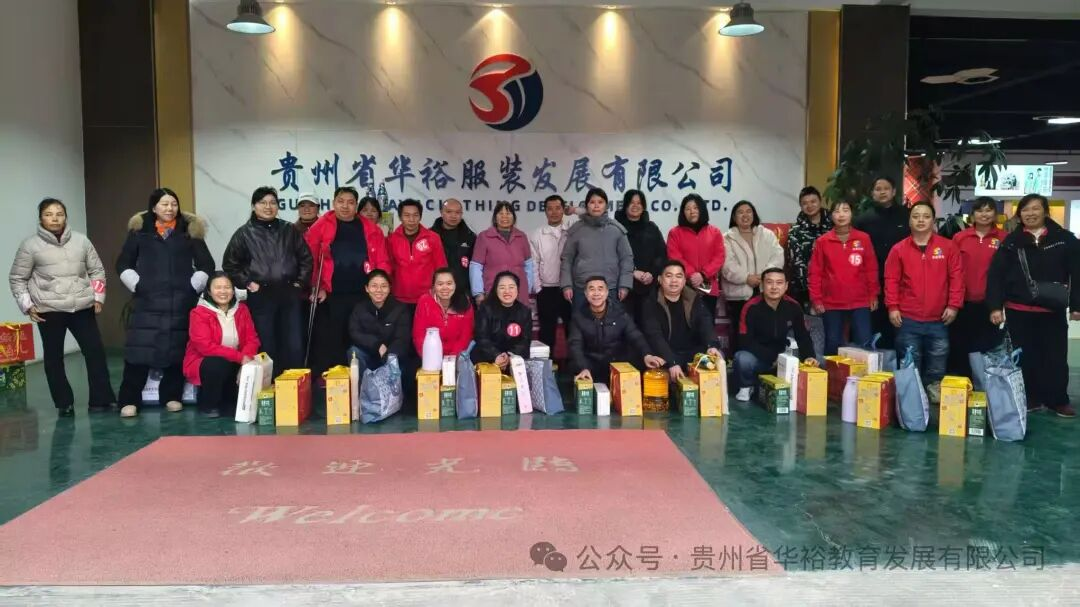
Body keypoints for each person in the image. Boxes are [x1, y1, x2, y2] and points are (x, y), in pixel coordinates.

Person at [8, 198, 115, 416]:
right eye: (49, 214)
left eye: (59, 214)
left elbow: (97, 270)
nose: (55, 218)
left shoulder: (81, 241)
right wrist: (27, 305)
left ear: (66, 217)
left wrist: (98, 297)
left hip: (82, 307)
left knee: (95, 352)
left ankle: (101, 400)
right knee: (54, 358)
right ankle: (64, 403)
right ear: (41, 218)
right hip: (49, 309)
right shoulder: (30, 246)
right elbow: (17, 278)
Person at [116, 188, 214, 418]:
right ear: (153, 207)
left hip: (180, 302)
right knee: (139, 351)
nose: (170, 208)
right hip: (147, 302)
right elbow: (123, 263)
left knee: (176, 351)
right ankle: (128, 400)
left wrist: (192, 287)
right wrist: (138, 285)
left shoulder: (189, 231)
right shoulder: (140, 231)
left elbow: (206, 264)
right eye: (164, 204)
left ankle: (172, 396)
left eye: (173, 204)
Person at [987, 194, 1080, 418]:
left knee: (1055, 357)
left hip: (1052, 310)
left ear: (1045, 212)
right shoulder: (1011, 242)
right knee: (1024, 357)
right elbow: (996, 276)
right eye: (1025, 210)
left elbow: (1077, 273)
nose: (1030, 214)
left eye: (1035, 209)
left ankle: (1058, 400)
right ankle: (1030, 398)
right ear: (1020, 215)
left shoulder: (1064, 239)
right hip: (1018, 310)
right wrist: (995, 307)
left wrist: (1076, 305)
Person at [222, 186, 312, 375]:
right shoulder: (244, 233)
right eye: (263, 203)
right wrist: (247, 283)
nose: (268, 207)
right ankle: (269, 385)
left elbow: (306, 258)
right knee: (266, 344)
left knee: (294, 343)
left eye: (272, 203)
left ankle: (295, 385)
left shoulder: (289, 229)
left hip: (289, 293)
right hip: (261, 295)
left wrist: (299, 283)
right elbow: (230, 264)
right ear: (253, 206)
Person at [304, 186, 391, 381]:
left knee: (362, 337)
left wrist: (381, 286)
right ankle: (336, 382)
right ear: (333, 203)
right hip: (332, 293)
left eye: (350, 202)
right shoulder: (321, 226)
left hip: (364, 294)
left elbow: (383, 260)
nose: (345, 206)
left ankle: (364, 380)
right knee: (333, 339)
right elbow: (310, 260)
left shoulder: (370, 228)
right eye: (341, 201)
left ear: (356, 206)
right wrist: (318, 287)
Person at [884, 202, 964, 391]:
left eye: (926, 216)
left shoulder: (948, 247)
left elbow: (957, 278)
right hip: (907, 319)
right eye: (916, 216)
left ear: (933, 220)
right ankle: (911, 400)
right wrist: (892, 307)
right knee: (909, 365)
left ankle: (934, 401)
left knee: (937, 365)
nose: (921, 220)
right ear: (909, 221)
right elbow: (891, 280)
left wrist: (953, 305)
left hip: (939, 319)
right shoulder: (898, 249)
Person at [182, 272, 260, 418]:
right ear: (209, 291)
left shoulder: (242, 309)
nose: (223, 291)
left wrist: (246, 360)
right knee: (217, 365)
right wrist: (240, 357)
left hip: (236, 360)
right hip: (206, 361)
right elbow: (205, 346)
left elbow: (252, 339)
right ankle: (208, 405)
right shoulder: (198, 313)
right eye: (218, 287)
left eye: (227, 287)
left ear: (233, 290)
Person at [733, 268, 818, 402]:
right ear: (762, 285)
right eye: (769, 282)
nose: (774, 287)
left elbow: (803, 336)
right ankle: (746, 386)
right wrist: (771, 357)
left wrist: (809, 356)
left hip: (784, 358)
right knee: (742, 358)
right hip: (759, 357)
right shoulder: (751, 307)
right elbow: (745, 341)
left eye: (779, 283)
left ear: (786, 286)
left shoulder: (793, 306)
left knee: (819, 362)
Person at [807, 199, 879, 355]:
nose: (841, 215)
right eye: (837, 211)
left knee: (864, 342)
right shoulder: (823, 241)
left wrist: (873, 294)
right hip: (832, 302)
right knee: (833, 343)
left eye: (845, 210)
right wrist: (816, 299)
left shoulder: (863, 238)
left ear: (852, 214)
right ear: (831, 216)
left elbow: (871, 269)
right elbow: (815, 273)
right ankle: (833, 372)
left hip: (860, 301)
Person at [948, 197, 1007, 375]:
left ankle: (986, 385)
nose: (984, 214)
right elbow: (951, 270)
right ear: (972, 215)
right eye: (980, 210)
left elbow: (1007, 273)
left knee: (987, 348)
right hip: (963, 303)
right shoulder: (960, 237)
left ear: (995, 214)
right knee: (960, 347)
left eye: (988, 210)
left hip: (991, 305)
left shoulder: (1004, 238)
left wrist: (1000, 305)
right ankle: (962, 384)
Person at [569, 276, 665, 382]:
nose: (596, 293)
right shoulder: (578, 317)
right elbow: (575, 345)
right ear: (586, 294)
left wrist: (647, 354)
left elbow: (635, 335)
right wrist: (583, 368)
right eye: (592, 289)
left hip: (617, 367)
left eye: (600, 289)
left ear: (607, 292)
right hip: (589, 368)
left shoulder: (620, 313)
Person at [641, 260, 723, 381]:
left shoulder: (693, 298)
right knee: (657, 369)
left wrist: (712, 345)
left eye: (679, 276)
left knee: (716, 357)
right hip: (665, 354)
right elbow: (654, 336)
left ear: (684, 281)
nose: (674, 280)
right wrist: (672, 362)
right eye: (669, 276)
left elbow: (705, 323)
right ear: (660, 279)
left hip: (692, 354)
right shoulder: (651, 302)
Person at [853, 176, 909, 348]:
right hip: (873, 282)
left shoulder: (907, 216)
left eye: (886, 188)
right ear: (872, 193)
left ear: (894, 191)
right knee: (875, 327)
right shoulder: (863, 220)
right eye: (878, 189)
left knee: (899, 326)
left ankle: (898, 361)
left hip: (902, 281)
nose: (882, 192)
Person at [347, 269, 416, 409]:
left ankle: (394, 402)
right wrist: (377, 345)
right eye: (374, 286)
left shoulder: (400, 309)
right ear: (367, 288)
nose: (379, 290)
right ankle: (363, 398)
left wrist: (388, 356)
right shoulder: (359, 308)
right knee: (354, 352)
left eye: (384, 286)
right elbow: (354, 333)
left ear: (390, 288)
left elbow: (402, 338)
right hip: (370, 356)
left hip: (392, 358)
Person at [721, 200, 784, 350]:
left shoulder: (767, 234)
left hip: (766, 292)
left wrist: (766, 277)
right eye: (740, 212)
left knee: (766, 331)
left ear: (754, 214)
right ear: (734, 217)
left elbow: (777, 256)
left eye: (748, 211)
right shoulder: (726, 238)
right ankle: (741, 360)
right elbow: (727, 265)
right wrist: (746, 277)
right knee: (741, 334)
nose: (745, 215)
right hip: (739, 295)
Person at [561, 188, 634, 310]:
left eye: (600, 202)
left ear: (606, 206)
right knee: (581, 321)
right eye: (592, 202)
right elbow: (567, 259)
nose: (596, 206)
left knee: (612, 322)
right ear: (586, 206)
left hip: (611, 289)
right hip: (582, 289)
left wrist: (624, 285)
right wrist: (566, 285)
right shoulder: (576, 230)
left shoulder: (616, 230)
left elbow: (626, 259)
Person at [666, 193, 726, 321]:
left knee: (707, 325)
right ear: (683, 212)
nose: (692, 211)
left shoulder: (715, 232)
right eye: (687, 209)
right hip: (684, 287)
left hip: (709, 288)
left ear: (702, 209)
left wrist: (703, 274)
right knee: (684, 324)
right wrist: (692, 275)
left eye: (695, 208)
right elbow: (675, 256)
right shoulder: (674, 233)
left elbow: (719, 257)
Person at [614, 189, 666, 324]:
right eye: (631, 202)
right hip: (623, 285)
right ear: (625, 205)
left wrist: (652, 273)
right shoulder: (616, 228)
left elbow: (661, 254)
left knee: (648, 326)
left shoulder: (651, 228)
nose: (635, 206)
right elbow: (611, 256)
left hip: (648, 286)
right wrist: (632, 272)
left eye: (639, 203)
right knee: (626, 327)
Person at [529, 194, 574, 349]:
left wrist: (574, 210)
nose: (554, 212)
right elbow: (533, 263)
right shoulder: (537, 234)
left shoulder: (573, 230)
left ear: (563, 210)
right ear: (545, 211)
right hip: (547, 289)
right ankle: (547, 362)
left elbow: (591, 215)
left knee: (572, 329)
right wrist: (538, 288)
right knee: (547, 331)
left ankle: (573, 362)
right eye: (550, 209)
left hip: (569, 288)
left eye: (558, 208)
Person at [470, 202, 534, 306]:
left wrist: (527, 289)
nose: (504, 216)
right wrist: (478, 293)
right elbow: (476, 266)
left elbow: (529, 266)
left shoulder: (522, 236)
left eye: (508, 213)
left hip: (519, 293)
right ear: (495, 218)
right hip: (493, 291)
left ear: (514, 217)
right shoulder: (484, 237)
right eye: (501, 213)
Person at [386, 199, 447, 306]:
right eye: (407, 215)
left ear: (420, 217)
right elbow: (388, 268)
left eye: (415, 215)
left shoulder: (433, 238)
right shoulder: (391, 240)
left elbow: (441, 267)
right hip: (399, 298)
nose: (411, 219)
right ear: (400, 217)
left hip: (427, 297)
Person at [471, 272, 533, 371]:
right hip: (488, 359)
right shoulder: (485, 308)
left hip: (513, 360)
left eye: (511, 287)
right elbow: (481, 337)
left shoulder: (524, 312)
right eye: (502, 287)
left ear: (517, 289)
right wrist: (496, 355)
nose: (507, 291)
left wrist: (509, 357)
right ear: (496, 290)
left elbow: (525, 341)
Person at [413, 268, 475, 357]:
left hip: (456, 356)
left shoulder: (465, 302)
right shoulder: (424, 301)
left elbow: (465, 336)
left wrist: (451, 359)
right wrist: (430, 357)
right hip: (430, 355)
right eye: (440, 284)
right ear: (433, 286)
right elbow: (419, 335)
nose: (445, 288)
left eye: (449, 283)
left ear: (455, 284)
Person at [787, 186, 833, 307]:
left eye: (813, 201)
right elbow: (796, 261)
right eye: (805, 203)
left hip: (833, 285)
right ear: (801, 206)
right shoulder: (795, 231)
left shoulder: (834, 226)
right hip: (805, 288)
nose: (809, 206)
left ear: (820, 201)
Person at [430, 198, 476, 297]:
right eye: (449, 212)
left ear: (461, 214)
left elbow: (475, 267)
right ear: (441, 212)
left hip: (463, 292)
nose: (453, 216)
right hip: (437, 291)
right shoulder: (429, 236)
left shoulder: (470, 237)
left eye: (457, 212)